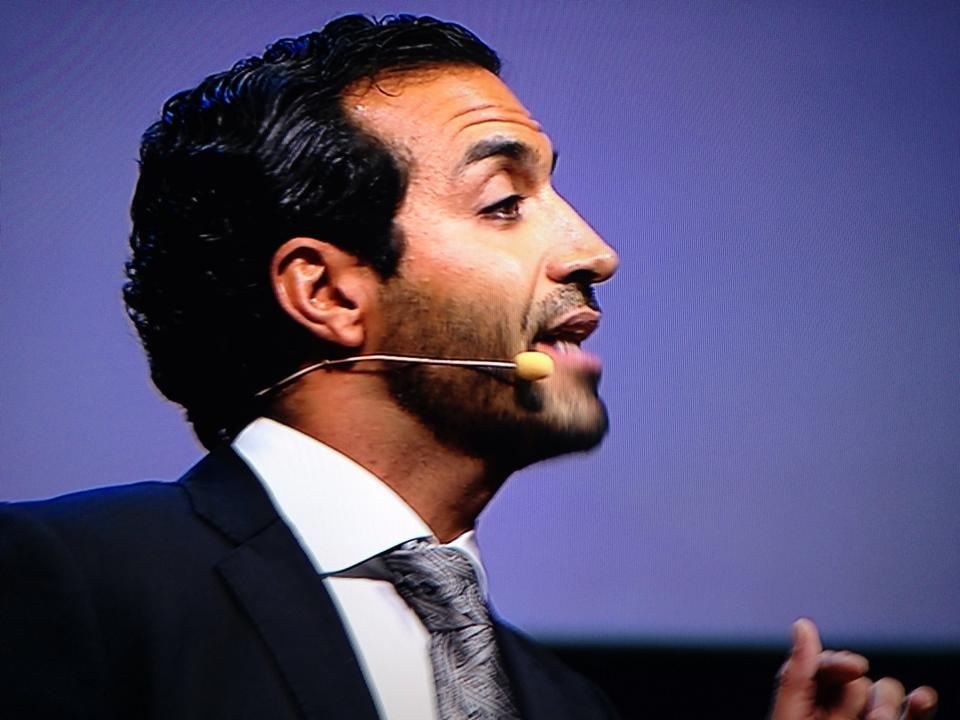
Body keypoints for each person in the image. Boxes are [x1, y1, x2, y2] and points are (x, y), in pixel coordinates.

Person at [0, 13, 937, 720]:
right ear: (327, 293)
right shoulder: (63, 585)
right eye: (502, 201)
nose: (593, 250)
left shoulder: (562, 701)